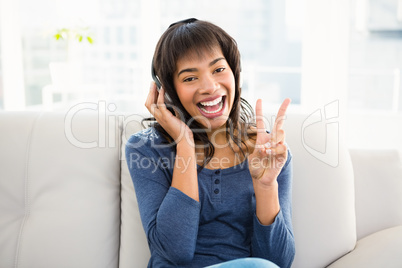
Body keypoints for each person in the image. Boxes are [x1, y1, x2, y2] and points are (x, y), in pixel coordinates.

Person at [125, 18, 295, 268]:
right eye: (190, 78)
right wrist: (185, 143)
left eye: (218, 70)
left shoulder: (267, 150)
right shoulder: (146, 149)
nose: (210, 87)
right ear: (168, 90)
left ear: (234, 73)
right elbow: (175, 252)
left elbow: (278, 261)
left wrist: (265, 185)